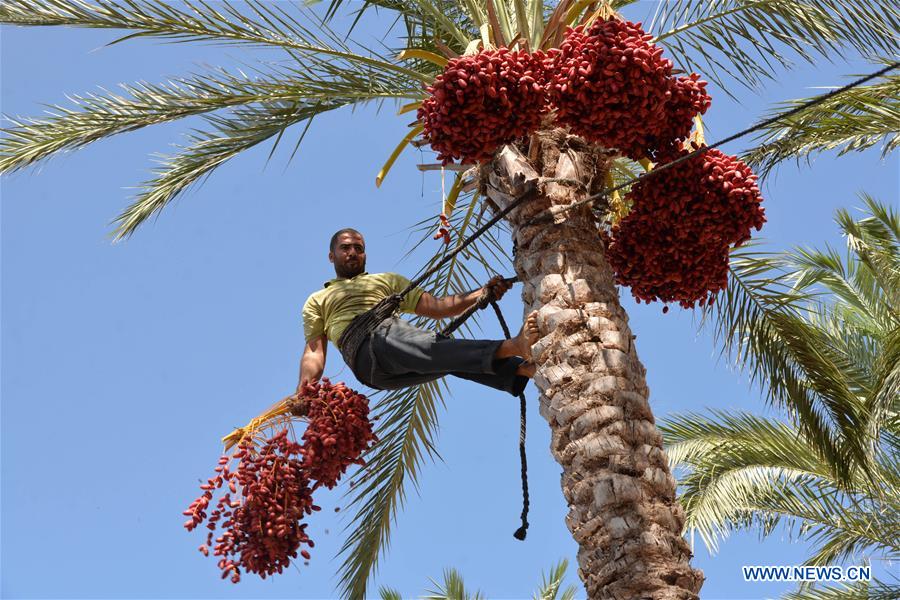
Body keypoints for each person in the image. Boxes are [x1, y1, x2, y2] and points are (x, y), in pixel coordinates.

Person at [296, 228, 539, 397]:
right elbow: (315, 352)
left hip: (386, 353)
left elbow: (438, 307)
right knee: (437, 349)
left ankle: (519, 369)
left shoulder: (387, 281)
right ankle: (514, 347)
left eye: (358, 248)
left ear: (365, 254)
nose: (352, 253)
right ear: (331, 256)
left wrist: (482, 293)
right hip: (367, 357)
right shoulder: (318, 300)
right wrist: (305, 389)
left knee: (444, 356)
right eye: (345, 248)